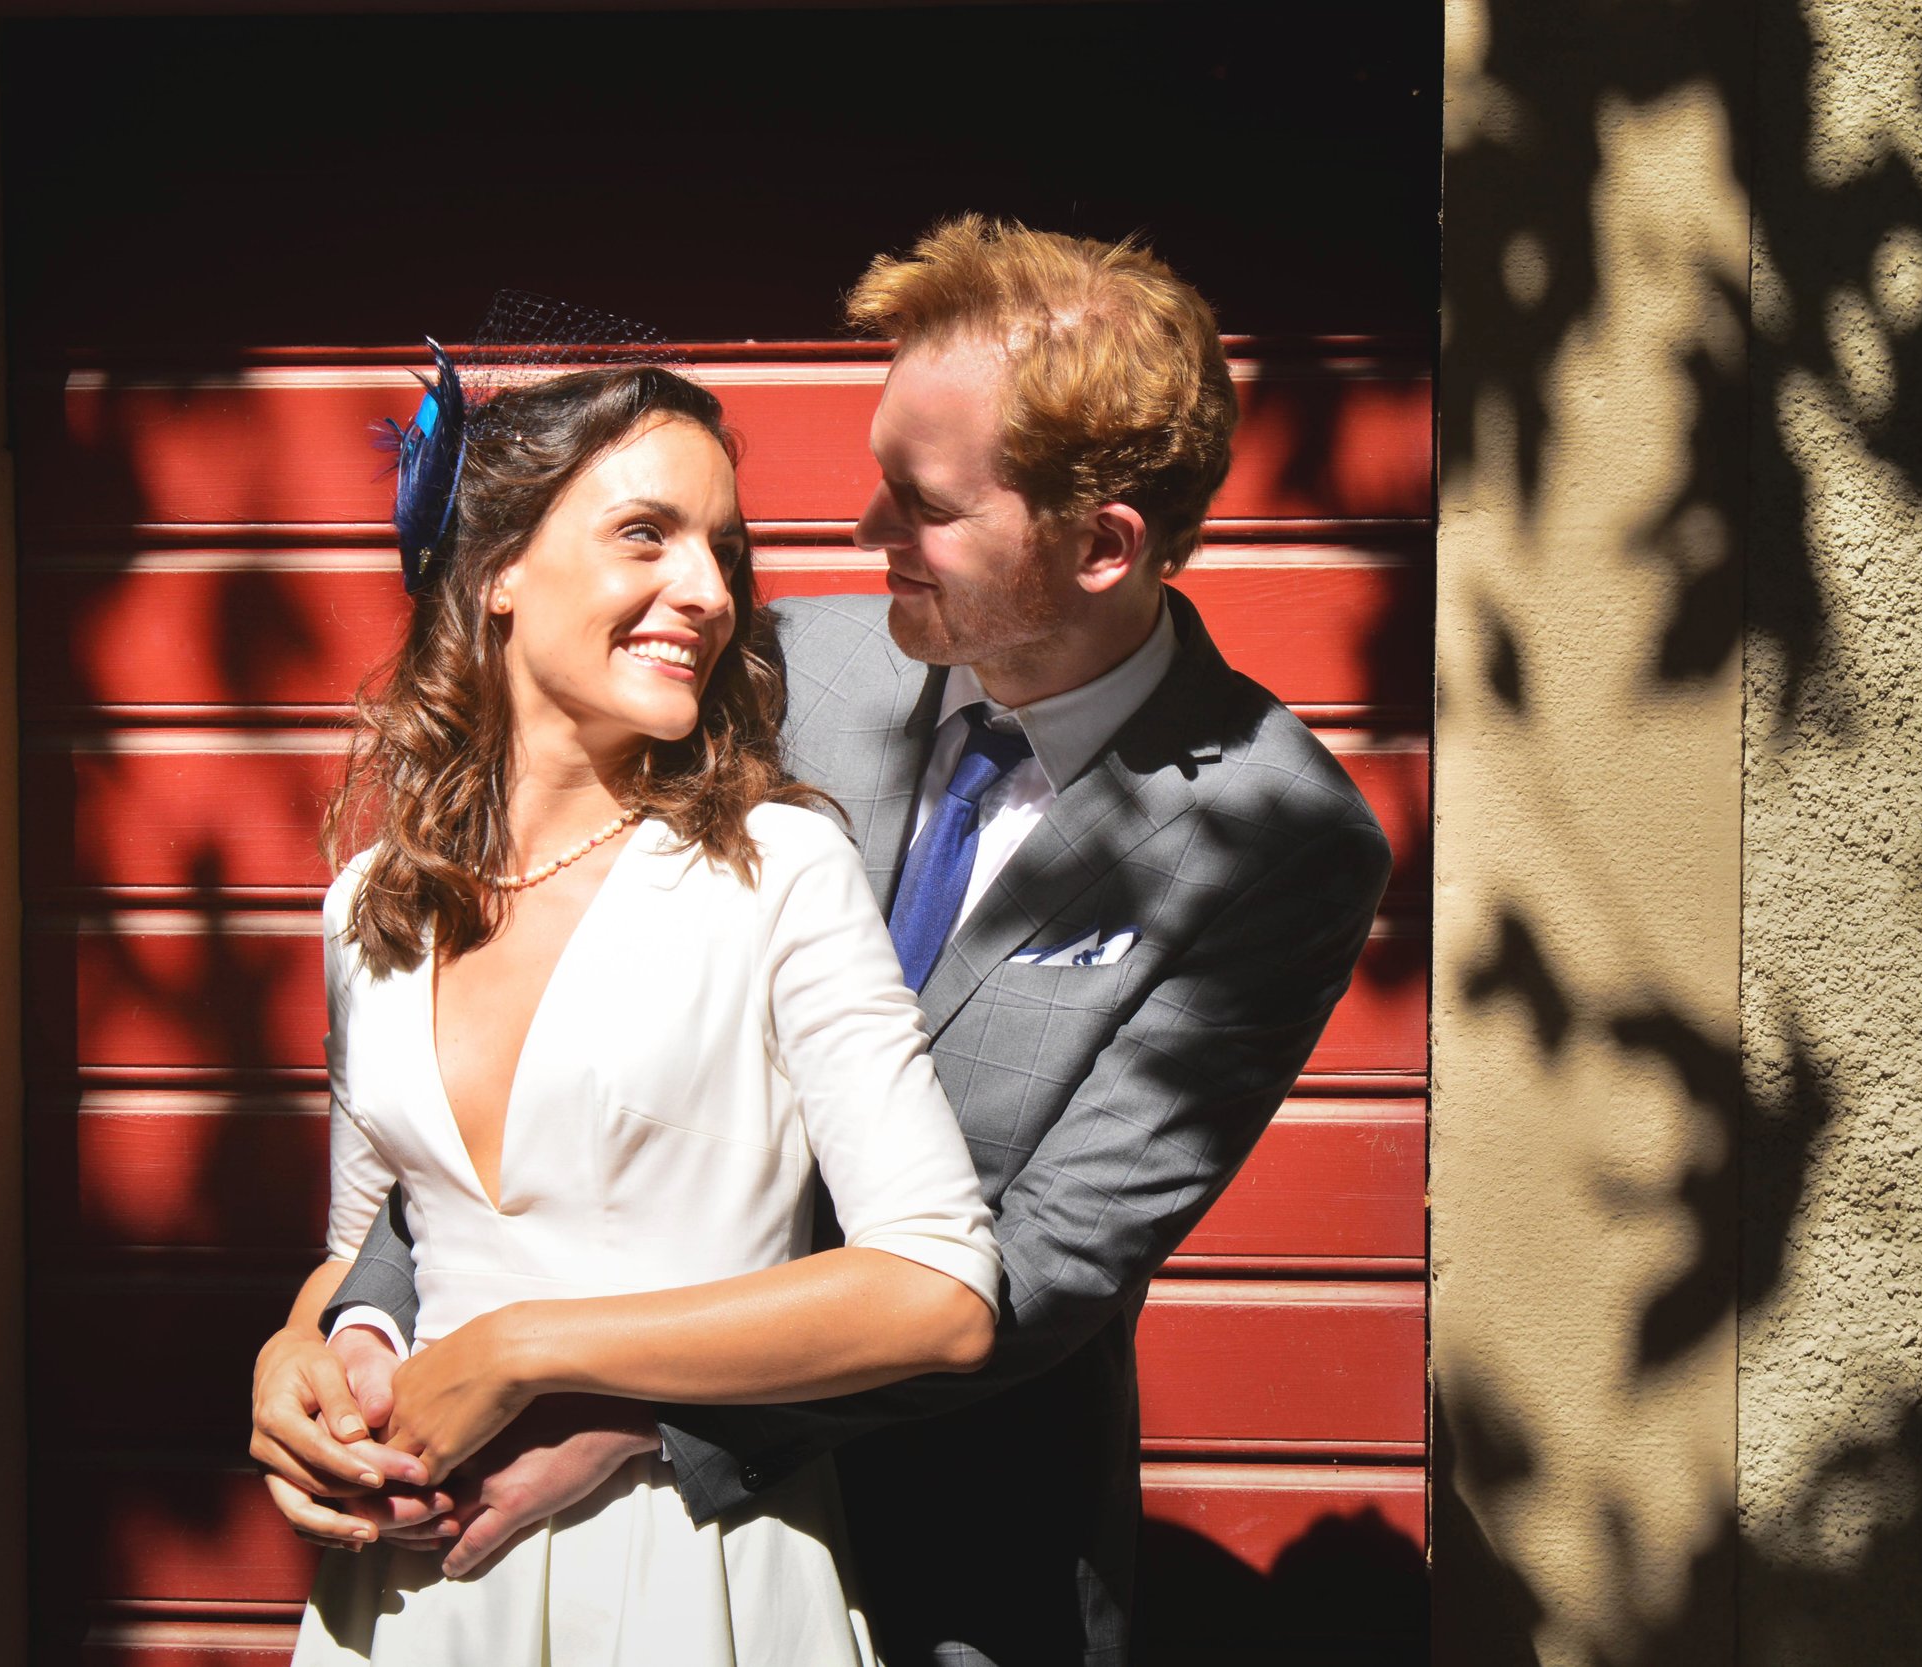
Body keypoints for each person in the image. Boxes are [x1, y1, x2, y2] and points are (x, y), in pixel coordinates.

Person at [257, 218, 1397, 1665]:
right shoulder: (789, 666)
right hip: (530, 1521)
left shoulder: (1278, 839)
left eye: (921, 506)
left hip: (956, 1549)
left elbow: (1041, 1263)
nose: (860, 536)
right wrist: (345, 1327)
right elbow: (507, 1032)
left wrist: (638, 1426)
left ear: (1102, 546)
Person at [261, 360, 1003, 1666]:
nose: (712, 594)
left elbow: (936, 1287)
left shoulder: (773, 870)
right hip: (415, 1603)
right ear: (497, 571)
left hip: (693, 1573)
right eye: (645, 535)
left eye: (725, 550)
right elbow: (370, 1248)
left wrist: (530, 1352)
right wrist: (296, 1363)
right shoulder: (370, 908)